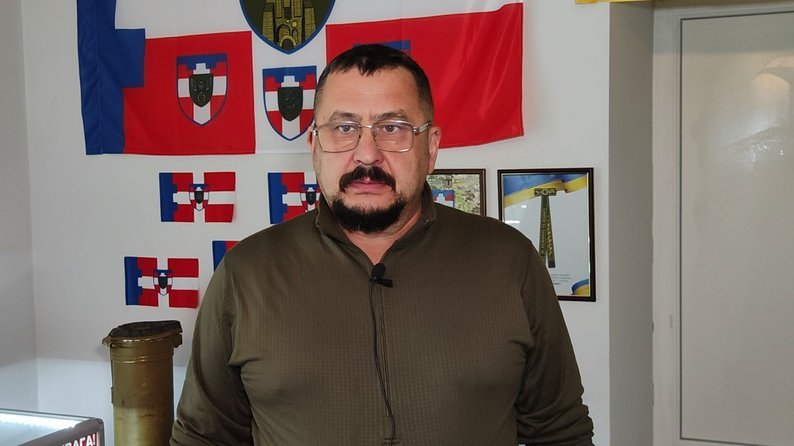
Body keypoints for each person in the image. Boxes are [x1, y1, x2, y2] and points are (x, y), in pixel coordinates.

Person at [171, 44, 594, 445]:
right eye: (344, 128)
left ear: (431, 147)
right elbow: (203, 437)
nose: (367, 155)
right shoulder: (245, 274)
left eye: (392, 128)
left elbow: (560, 431)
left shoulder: (509, 261)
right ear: (315, 147)